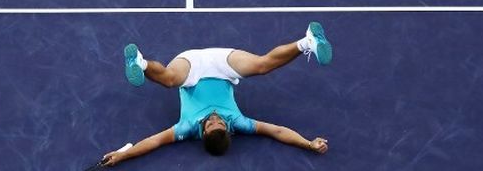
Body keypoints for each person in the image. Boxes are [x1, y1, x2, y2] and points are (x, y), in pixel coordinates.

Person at [102, 22, 333, 166]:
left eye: (211, 124)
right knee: (262, 66)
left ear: (203, 133)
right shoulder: (238, 122)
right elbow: (277, 131)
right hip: (223, 67)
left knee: (170, 80)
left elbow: (154, 141)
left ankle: (139, 62)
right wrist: (308, 144)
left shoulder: (186, 127)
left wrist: (124, 155)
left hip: (190, 68)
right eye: (220, 122)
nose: (215, 118)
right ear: (228, 129)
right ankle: (307, 41)